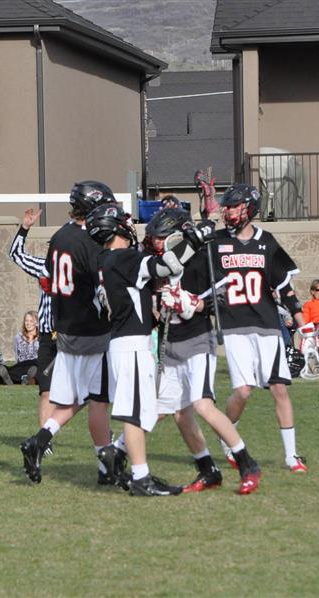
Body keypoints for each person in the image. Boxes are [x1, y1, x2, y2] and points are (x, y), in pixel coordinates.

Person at [100, 207, 262, 495]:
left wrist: (194, 304)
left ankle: (247, 464)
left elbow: (222, 297)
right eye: (154, 238)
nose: (156, 243)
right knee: (176, 412)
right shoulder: (154, 262)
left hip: (198, 340)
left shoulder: (200, 258)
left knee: (202, 405)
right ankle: (207, 470)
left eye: (161, 237)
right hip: (170, 343)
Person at [86, 202, 210, 496]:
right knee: (134, 415)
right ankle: (141, 478)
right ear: (116, 228)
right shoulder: (123, 258)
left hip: (126, 341)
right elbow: (168, 265)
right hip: (131, 344)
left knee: (143, 410)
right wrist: (196, 239)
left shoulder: (106, 260)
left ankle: (119, 456)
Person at [19, 181, 114, 485]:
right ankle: (107, 468)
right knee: (98, 400)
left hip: (65, 330)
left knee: (79, 397)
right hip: (91, 329)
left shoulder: (60, 236)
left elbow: (49, 279)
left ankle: (40, 439)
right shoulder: (90, 241)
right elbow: (103, 288)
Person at [213, 183, 308, 473]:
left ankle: (291, 456)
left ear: (250, 208)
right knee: (243, 392)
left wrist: (304, 325)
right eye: (227, 207)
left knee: (279, 388)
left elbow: (286, 289)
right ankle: (227, 435)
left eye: (235, 206)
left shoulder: (266, 241)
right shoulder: (216, 242)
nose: (229, 212)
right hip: (234, 325)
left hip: (266, 324)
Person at [9, 207, 57, 425]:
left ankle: (102, 436)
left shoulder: (80, 270)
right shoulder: (43, 267)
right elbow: (16, 255)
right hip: (47, 337)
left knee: (86, 392)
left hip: (73, 337)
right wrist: (24, 228)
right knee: (46, 390)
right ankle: (45, 437)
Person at [12, 311, 40, 384]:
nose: (28, 323)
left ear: (37, 323)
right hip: (23, 365)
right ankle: (27, 378)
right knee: (12, 370)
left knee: (39, 369)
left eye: (31, 321)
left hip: (36, 365)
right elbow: (17, 356)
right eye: (26, 321)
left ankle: (28, 379)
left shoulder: (42, 337)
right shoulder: (18, 337)